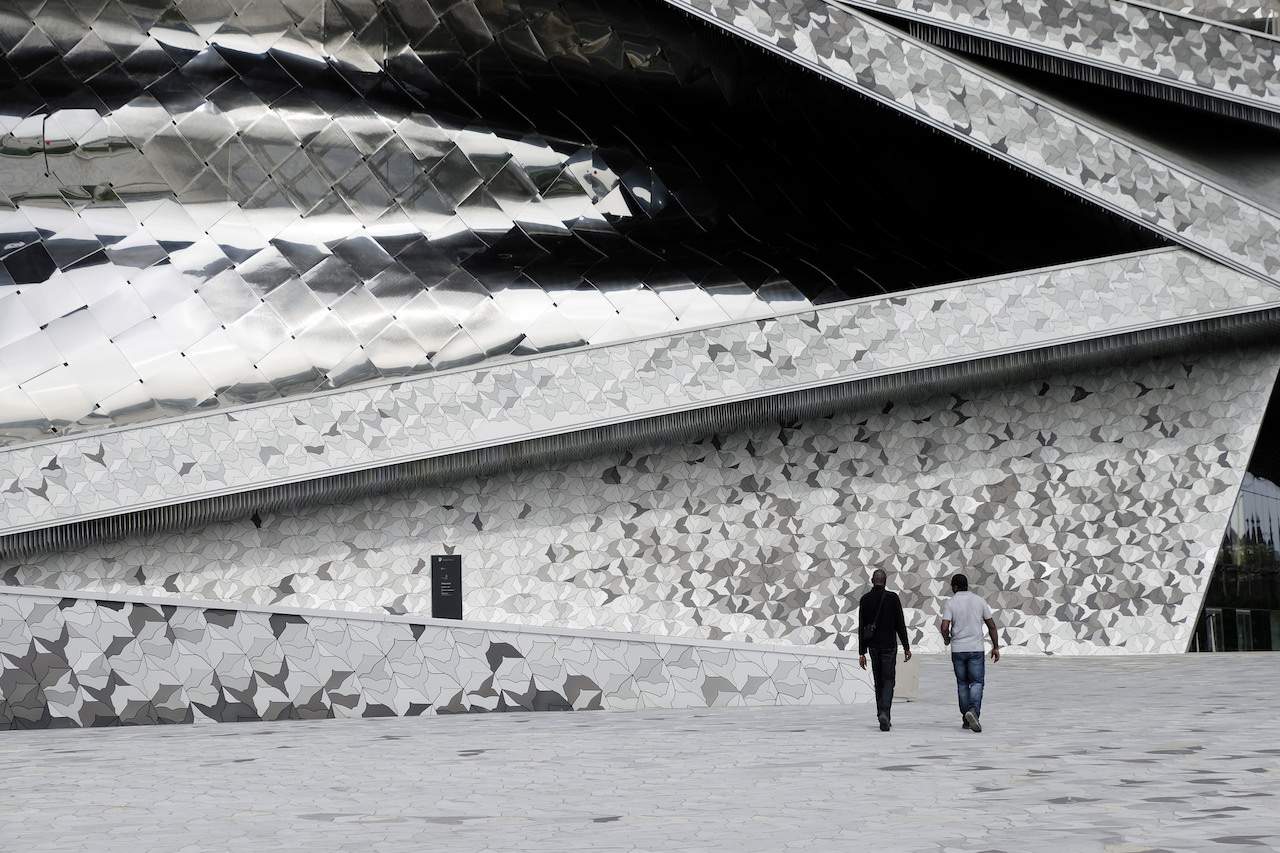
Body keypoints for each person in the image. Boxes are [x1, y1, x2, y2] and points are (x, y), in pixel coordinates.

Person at [939, 573, 1000, 733]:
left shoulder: (951, 603)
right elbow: (992, 625)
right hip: (976, 648)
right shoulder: (979, 601)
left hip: (958, 649)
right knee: (977, 682)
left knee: (962, 683)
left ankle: (966, 719)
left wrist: (947, 639)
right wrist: (996, 646)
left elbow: (944, 627)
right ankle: (973, 711)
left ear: (955, 586)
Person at [858, 568, 911, 732]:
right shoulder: (893, 598)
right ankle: (885, 713)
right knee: (889, 680)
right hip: (889, 645)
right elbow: (900, 624)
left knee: (878, 681)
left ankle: (881, 712)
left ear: (872, 581)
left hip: (873, 646)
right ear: (885, 581)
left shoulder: (865, 599)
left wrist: (862, 652)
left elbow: (861, 627)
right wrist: (906, 646)